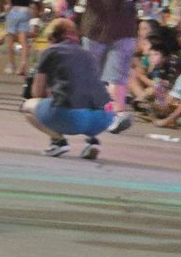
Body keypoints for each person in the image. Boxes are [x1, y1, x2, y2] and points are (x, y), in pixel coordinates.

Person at [21, 18, 130, 159]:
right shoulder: (89, 55)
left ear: (52, 37)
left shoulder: (49, 52)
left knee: (28, 106)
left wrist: (49, 91)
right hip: (104, 116)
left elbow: (36, 92)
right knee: (88, 101)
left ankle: (57, 141)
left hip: (71, 117)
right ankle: (92, 141)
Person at [3, 0, 35, 75]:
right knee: (23, 40)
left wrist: (9, 3)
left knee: (9, 37)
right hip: (26, 11)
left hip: (14, 10)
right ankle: (23, 64)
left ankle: (11, 65)